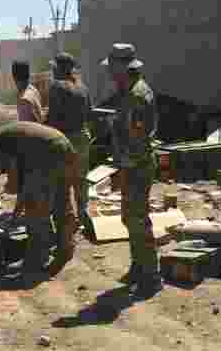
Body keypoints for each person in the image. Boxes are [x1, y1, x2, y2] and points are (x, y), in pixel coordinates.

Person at [0, 122, 80, 280]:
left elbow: (17, 185)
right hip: (64, 147)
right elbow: (25, 189)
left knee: (36, 215)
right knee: (61, 203)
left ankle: (34, 263)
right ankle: (65, 249)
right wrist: (15, 216)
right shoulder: (11, 142)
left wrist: (10, 186)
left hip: (45, 155)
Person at [102, 43, 162, 299]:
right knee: (130, 217)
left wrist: (125, 165)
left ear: (122, 68)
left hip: (136, 165)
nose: (109, 74)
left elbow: (137, 137)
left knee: (138, 218)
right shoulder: (128, 91)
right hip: (131, 163)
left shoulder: (137, 95)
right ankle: (139, 267)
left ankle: (150, 275)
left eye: (112, 69)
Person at [46, 52, 93, 229]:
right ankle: (82, 216)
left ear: (59, 68)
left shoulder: (57, 87)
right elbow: (89, 114)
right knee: (81, 181)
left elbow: (52, 119)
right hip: (82, 138)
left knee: (62, 183)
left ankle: (65, 223)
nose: (52, 71)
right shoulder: (82, 87)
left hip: (64, 140)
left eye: (54, 68)